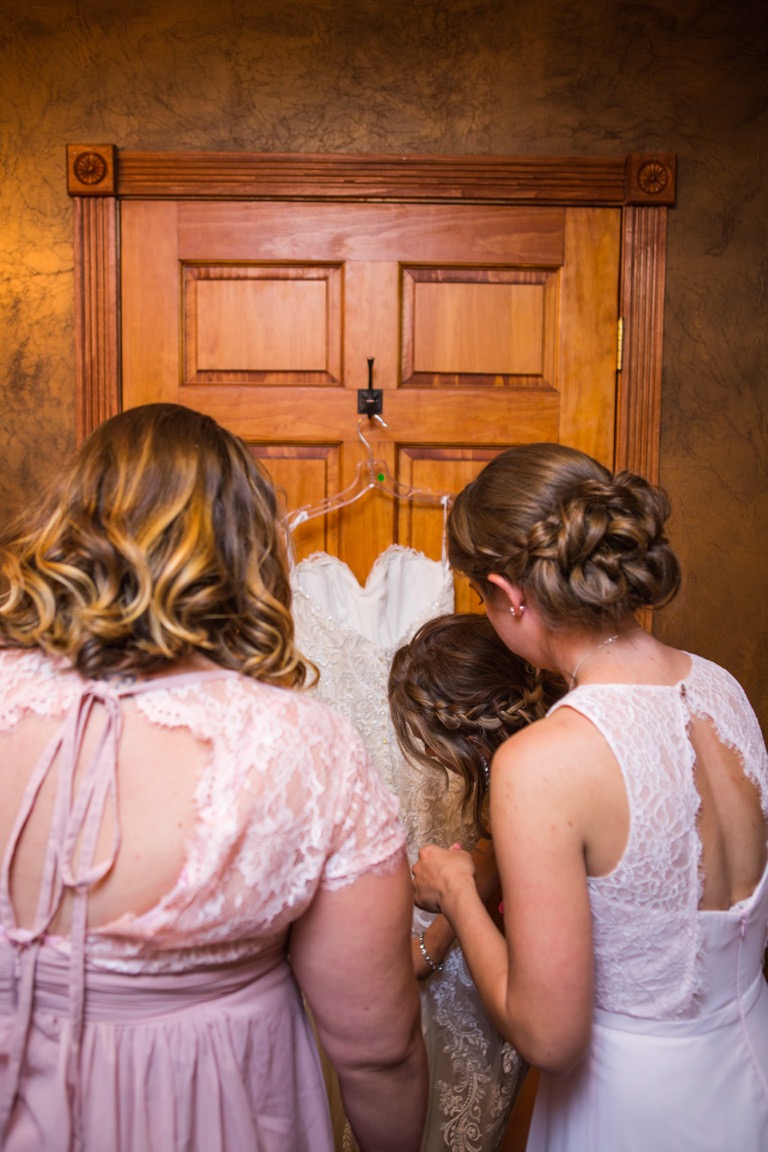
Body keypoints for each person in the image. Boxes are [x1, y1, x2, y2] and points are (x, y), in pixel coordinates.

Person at [0, 403, 428, 1152]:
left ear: (68, 529)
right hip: (213, 1115)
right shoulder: (302, 744)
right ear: (246, 550)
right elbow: (376, 1050)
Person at [411, 442, 768, 1152]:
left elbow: (550, 1037)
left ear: (509, 593)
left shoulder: (542, 761)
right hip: (748, 1062)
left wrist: (455, 892)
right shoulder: (721, 689)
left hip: (635, 1106)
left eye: (481, 597)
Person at [387, 612, 564, 1152]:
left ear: (470, 739)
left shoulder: (536, 783)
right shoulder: (533, 752)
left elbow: (542, 1022)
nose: (431, 757)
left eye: (427, 742)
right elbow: (495, 852)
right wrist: (434, 941)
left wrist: (452, 892)